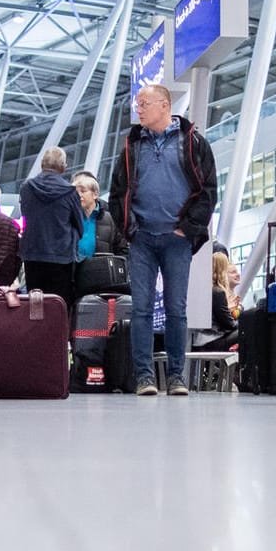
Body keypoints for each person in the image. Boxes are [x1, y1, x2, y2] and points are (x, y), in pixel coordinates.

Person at [108, 84, 218, 398]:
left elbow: (209, 191)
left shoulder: (193, 143)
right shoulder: (132, 146)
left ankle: (176, 377)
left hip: (176, 240)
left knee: (176, 309)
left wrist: (187, 228)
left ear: (164, 105)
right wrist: (130, 229)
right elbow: (117, 193)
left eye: (143, 103)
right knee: (140, 310)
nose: (138, 109)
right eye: (137, 104)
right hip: (142, 239)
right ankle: (144, 376)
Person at [19, 147, 85, 304]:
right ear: (63, 166)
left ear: (42, 164)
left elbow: (25, 215)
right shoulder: (70, 192)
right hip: (61, 257)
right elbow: (79, 225)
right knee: (58, 306)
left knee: (35, 306)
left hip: (33, 255)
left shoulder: (27, 188)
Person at [197, 250, 240, 349]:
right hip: (212, 340)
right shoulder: (218, 292)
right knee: (247, 329)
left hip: (204, 340)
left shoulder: (207, 290)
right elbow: (230, 324)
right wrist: (242, 316)